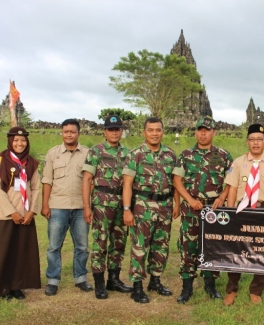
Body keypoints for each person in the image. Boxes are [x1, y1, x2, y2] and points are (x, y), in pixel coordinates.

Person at [172, 116, 233, 304]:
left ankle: (210, 284)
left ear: (214, 132)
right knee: (188, 247)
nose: (203, 133)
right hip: (192, 209)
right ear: (196, 132)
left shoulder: (224, 156)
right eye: (200, 130)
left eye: (207, 130)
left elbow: (231, 181)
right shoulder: (185, 155)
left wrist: (222, 197)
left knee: (212, 247)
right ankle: (187, 287)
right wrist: (189, 200)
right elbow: (177, 181)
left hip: (214, 210)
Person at [222, 124, 264, 306]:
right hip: (241, 210)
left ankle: (256, 290)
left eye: (259, 139)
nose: (256, 143)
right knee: (236, 250)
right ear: (247, 142)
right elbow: (232, 189)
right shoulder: (238, 163)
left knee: (261, 251)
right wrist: (230, 212)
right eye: (252, 139)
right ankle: (231, 289)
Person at [122, 117, 178, 304]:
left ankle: (155, 280)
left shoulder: (170, 155)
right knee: (140, 246)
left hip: (164, 207)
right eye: (150, 130)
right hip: (142, 208)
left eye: (158, 130)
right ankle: (137, 286)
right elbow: (127, 185)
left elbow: (176, 184)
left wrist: (176, 204)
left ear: (163, 132)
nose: (154, 133)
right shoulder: (135, 154)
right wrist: (127, 209)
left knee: (160, 246)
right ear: (144, 132)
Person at [82, 115, 132, 299]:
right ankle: (99, 284)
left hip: (121, 202)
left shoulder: (128, 153)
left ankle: (114, 279)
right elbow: (87, 180)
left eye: (117, 129)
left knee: (119, 243)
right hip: (102, 203)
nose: (114, 132)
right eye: (111, 129)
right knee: (100, 242)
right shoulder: (96, 151)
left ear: (121, 131)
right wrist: (87, 207)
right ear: (105, 131)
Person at [41, 118, 91, 296]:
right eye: (66, 132)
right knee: (54, 246)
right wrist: (45, 205)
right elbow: (47, 181)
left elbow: (90, 182)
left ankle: (81, 278)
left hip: (80, 207)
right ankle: (53, 280)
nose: (69, 134)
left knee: (82, 246)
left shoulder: (87, 153)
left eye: (72, 132)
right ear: (62, 133)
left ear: (79, 133)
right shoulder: (53, 154)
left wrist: (88, 206)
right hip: (57, 207)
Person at [0, 127, 41, 300]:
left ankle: (17, 285)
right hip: (6, 215)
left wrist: (32, 211)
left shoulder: (31, 162)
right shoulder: (1, 160)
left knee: (22, 252)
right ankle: (4, 287)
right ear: (10, 142)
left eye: (23, 140)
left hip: (25, 215)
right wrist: (12, 212)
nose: (20, 144)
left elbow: (36, 187)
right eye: (16, 140)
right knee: (5, 251)